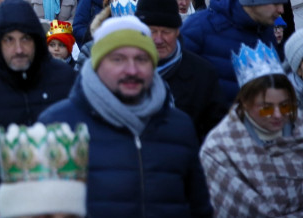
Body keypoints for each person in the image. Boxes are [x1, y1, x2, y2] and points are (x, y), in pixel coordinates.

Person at [39, 15, 213, 217]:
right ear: (97, 64)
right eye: (118, 59)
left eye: (141, 59)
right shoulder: (58, 126)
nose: (131, 70)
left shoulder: (179, 127)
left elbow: (200, 209)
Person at [0, 0, 76, 197]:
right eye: (9, 39)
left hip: (59, 201)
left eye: (25, 39)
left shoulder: (65, 79)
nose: (18, 49)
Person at [199, 42, 303, 216]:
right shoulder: (219, 149)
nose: (278, 115)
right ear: (245, 104)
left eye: (285, 106)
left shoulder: (299, 125)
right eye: (266, 108)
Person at [182, 0, 287, 105]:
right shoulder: (199, 27)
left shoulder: (266, 31)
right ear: (253, 0)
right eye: (275, 3)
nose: (281, 10)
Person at [135, 0, 225, 140]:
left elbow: (216, 133)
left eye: (166, 32)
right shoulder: (120, 71)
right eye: (152, 31)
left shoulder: (202, 74)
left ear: (177, 31)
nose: (158, 39)